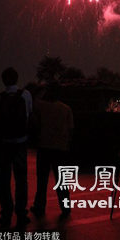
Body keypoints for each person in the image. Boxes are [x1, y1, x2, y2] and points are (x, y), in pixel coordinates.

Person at [30, 82, 73, 218]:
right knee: (61, 181)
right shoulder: (66, 109)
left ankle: (39, 206)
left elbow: (33, 101)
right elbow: (71, 129)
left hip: (44, 147)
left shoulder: (40, 106)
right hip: (60, 148)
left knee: (42, 180)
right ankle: (65, 207)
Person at [0, 67, 31, 229]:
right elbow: (28, 116)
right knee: (21, 178)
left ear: (4, 80)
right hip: (20, 141)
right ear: (17, 79)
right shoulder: (25, 95)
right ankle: (21, 212)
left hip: (4, 143)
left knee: (4, 179)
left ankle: (6, 214)